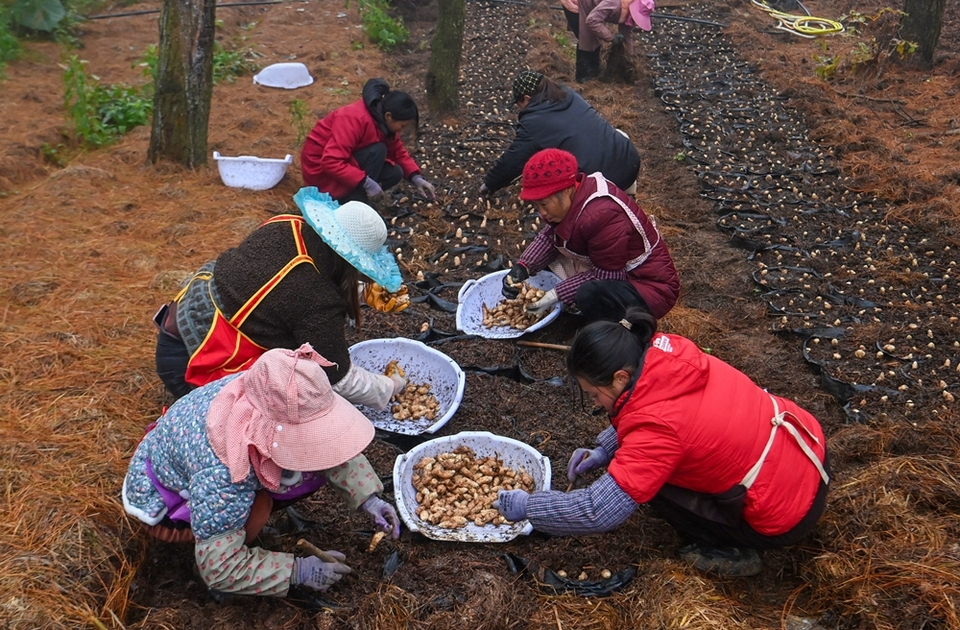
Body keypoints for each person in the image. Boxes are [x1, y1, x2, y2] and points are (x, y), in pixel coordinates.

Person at [494, 309, 831, 578]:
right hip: (804, 446)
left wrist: (531, 506)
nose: (595, 402)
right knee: (643, 469)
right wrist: (604, 449)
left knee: (652, 490)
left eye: (595, 394)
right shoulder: (666, 354)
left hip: (785, 511)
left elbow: (599, 511)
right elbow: (655, 408)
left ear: (620, 377)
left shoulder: (658, 431)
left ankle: (735, 550)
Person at [123, 344, 402, 596]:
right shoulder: (225, 474)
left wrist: (369, 497)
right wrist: (297, 571)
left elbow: (325, 441)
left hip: (189, 462)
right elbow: (218, 567)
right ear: (270, 435)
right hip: (165, 507)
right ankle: (223, 575)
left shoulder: (267, 388)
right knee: (258, 506)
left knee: (303, 469)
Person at [154, 188, 407, 404]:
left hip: (184, 319)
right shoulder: (317, 300)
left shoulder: (287, 224)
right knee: (298, 397)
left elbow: (281, 288)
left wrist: (362, 295)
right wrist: (389, 387)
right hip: (191, 362)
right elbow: (338, 377)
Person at [500, 148, 679, 322]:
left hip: (649, 286)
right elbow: (551, 236)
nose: (541, 213)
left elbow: (607, 277)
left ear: (566, 190)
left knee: (589, 295)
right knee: (548, 262)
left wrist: (556, 294)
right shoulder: (574, 197)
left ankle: (620, 326)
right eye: (536, 206)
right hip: (614, 267)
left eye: (544, 204)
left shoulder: (602, 215)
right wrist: (523, 267)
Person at [479, 71, 641, 196]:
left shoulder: (534, 122)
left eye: (519, 103)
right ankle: (629, 193)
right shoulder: (568, 94)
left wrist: (489, 184)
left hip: (605, 183)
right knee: (616, 133)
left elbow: (514, 160)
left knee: (556, 174)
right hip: (629, 160)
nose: (519, 108)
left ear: (527, 98)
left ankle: (612, 195)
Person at [300, 78, 436, 206]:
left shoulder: (381, 121)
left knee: (395, 173)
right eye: (402, 126)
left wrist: (415, 177)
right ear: (388, 116)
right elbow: (330, 161)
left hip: (345, 162)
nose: (401, 131)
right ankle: (353, 202)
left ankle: (356, 196)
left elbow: (398, 152)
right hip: (321, 173)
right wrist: (366, 182)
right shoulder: (354, 118)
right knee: (378, 151)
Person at [576, 0, 655, 82]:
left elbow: (626, 33)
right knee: (587, 38)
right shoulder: (614, 4)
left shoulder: (628, 11)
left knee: (593, 38)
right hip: (578, 5)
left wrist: (629, 56)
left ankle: (594, 72)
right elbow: (592, 20)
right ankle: (583, 77)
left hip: (593, 11)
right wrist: (611, 37)